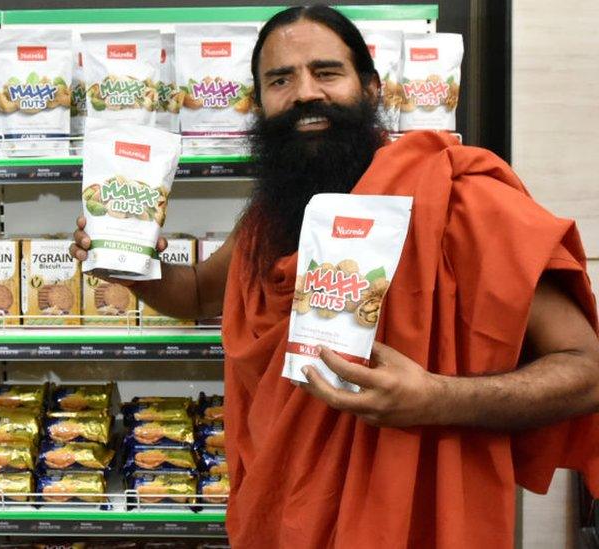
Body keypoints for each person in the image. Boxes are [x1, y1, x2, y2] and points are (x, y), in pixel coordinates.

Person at [71, 5, 599, 548]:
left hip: (415, 520)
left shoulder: (460, 197)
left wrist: (436, 398)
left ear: (370, 87)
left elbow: (588, 372)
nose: (305, 93)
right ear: (259, 104)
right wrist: (130, 263)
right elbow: (202, 291)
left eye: (326, 72)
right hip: (284, 513)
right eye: (281, 79)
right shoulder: (268, 218)